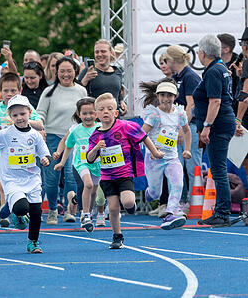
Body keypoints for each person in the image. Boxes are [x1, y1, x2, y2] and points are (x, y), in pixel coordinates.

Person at [87, 93, 163, 249]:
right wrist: (96, 148)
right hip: (107, 177)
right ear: (97, 115)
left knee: (128, 202)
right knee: (113, 208)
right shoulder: (95, 135)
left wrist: (155, 152)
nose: (106, 112)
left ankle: (130, 206)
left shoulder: (125, 126)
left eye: (109, 109)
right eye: (101, 109)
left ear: (116, 112)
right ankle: (117, 236)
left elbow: (143, 137)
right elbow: (89, 158)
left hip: (124, 174)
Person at [0, 95, 51, 253]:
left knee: (36, 212)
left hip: (32, 179)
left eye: (22, 114)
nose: (19, 118)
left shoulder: (35, 135)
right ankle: (14, 209)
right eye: (15, 115)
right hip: (12, 179)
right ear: (10, 116)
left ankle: (33, 242)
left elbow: (44, 154)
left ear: (29, 113)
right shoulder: (6, 134)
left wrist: (46, 160)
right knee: (21, 208)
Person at [193, 34, 241, 227]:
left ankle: (222, 212)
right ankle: (222, 210)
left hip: (218, 124)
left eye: (198, 51)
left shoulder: (213, 71)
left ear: (203, 53)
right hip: (224, 122)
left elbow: (215, 101)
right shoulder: (220, 68)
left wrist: (206, 126)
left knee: (218, 169)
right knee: (218, 168)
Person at [36, 57, 86, 224]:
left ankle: (69, 210)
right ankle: (52, 209)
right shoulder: (49, 91)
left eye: (69, 71)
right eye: (62, 71)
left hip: (73, 138)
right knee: (52, 177)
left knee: (71, 175)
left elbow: (84, 114)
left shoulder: (81, 91)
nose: (66, 74)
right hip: (52, 137)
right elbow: (40, 113)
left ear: (75, 72)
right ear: (56, 72)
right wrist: (40, 127)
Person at [139, 80, 191, 230]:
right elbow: (142, 134)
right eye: (162, 95)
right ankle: (149, 193)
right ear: (157, 96)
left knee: (178, 183)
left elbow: (187, 131)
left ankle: (170, 213)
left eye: (169, 95)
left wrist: (186, 149)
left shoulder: (180, 113)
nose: (166, 98)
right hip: (154, 158)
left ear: (175, 97)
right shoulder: (154, 115)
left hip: (172, 157)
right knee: (156, 193)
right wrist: (153, 149)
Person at [55, 97, 102, 232]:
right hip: (81, 164)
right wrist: (62, 163)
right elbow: (68, 146)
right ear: (78, 114)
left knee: (93, 190)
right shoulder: (76, 130)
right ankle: (85, 214)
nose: (88, 116)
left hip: (97, 165)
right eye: (84, 113)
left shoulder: (100, 128)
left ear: (96, 113)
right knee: (87, 185)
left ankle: (76, 200)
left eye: (91, 113)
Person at [166, 44, 202, 204]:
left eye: (166, 60)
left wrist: (182, 128)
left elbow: (191, 105)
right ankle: (178, 201)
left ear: (173, 60)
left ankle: (196, 201)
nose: (166, 63)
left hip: (190, 127)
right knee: (176, 166)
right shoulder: (177, 77)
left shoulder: (190, 76)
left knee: (192, 165)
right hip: (178, 127)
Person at [79, 40, 127, 114]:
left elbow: (118, 93)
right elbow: (77, 91)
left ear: (111, 53)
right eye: (96, 52)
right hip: (94, 118)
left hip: (114, 117)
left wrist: (121, 102)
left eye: (103, 51)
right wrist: (85, 80)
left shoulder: (117, 71)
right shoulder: (88, 70)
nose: (99, 54)